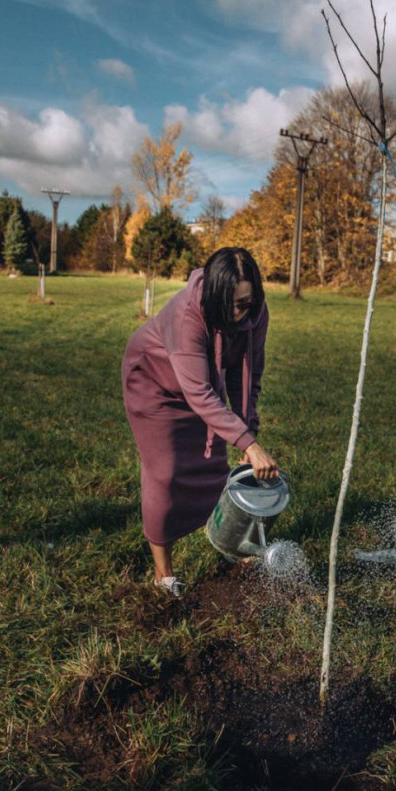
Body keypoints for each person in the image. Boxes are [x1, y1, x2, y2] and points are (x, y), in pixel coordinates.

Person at [121, 247, 277, 597]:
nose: (241, 313)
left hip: (199, 385)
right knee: (166, 472)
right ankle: (163, 576)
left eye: (247, 302)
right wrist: (249, 445)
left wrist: (247, 428)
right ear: (214, 297)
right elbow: (201, 395)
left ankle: (231, 544)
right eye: (233, 305)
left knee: (215, 469)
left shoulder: (255, 314)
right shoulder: (186, 314)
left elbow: (246, 374)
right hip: (153, 384)